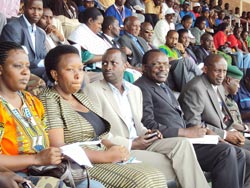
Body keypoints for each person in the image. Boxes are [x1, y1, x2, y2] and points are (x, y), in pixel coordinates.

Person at [38, 45, 167, 188]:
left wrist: (114, 147)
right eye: (70, 69)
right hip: (80, 164)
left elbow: (100, 135)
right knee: (141, 181)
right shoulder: (49, 99)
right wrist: (106, 156)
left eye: (80, 69)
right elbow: (59, 148)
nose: (78, 75)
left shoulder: (81, 97)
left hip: (103, 155)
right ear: (55, 75)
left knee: (155, 175)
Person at [83, 48, 210, 188]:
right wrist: (132, 144)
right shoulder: (92, 90)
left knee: (182, 144)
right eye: (104, 63)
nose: (107, 67)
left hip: (142, 142)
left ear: (125, 65)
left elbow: (139, 125)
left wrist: (149, 134)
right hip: (121, 148)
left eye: (113, 63)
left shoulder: (134, 91)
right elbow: (98, 133)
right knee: (180, 165)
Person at [134, 50, 246, 188]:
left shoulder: (163, 85)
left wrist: (206, 131)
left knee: (239, 153)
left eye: (165, 64)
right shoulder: (141, 88)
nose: (163, 68)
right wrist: (184, 132)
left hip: (188, 138)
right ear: (145, 68)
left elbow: (181, 119)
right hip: (173, 142)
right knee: (226, 152)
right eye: (156, 64)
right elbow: (147, 124)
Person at [0, 41, 102, 188]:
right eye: (17, 66)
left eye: (27, 66)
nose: (25, 72)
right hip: (13, 175)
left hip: (44, 170)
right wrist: (36, 159)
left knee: (94, 185)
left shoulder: (32, 102)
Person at [178, 54, 250, 187]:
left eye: (224, 71)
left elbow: (223, 119)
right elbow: (194, 125)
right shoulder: (195, 88)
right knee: (244, 156)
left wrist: (235, 131)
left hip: (222, 135)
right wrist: (226, 135)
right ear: (205, 69)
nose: (221, 75)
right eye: (217, 71)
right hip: (205, 141)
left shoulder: (218, 87)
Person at [0, 0, 47, 80]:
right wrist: (40, 63)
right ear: (24, 8)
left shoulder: (41, 33)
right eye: (32, 8)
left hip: (36, 70)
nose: (36, 13)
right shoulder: (12, 28)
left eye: (39, 9)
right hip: (19, 72)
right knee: (50, 72)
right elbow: (14, 59)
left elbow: (43, 56)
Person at [222, 65, 248, 131]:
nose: (239, 86)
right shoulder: (219, 99)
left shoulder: (230, 100)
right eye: (237, 82)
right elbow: (226, 122)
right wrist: (246, 128)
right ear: (228, 80)